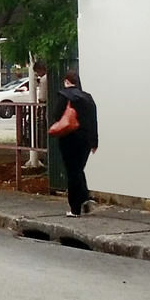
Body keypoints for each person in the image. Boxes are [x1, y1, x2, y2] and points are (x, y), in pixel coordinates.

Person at [48, 70, 100, 217]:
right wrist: (94, 141)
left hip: (69, 138)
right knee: (78, 170)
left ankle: (75, 208)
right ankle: (85, 198)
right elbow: (93, 120)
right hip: (85, 140)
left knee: (72, 172)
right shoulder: (88, 98)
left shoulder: (64, 96)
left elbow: (57, 115)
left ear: (66, 82)